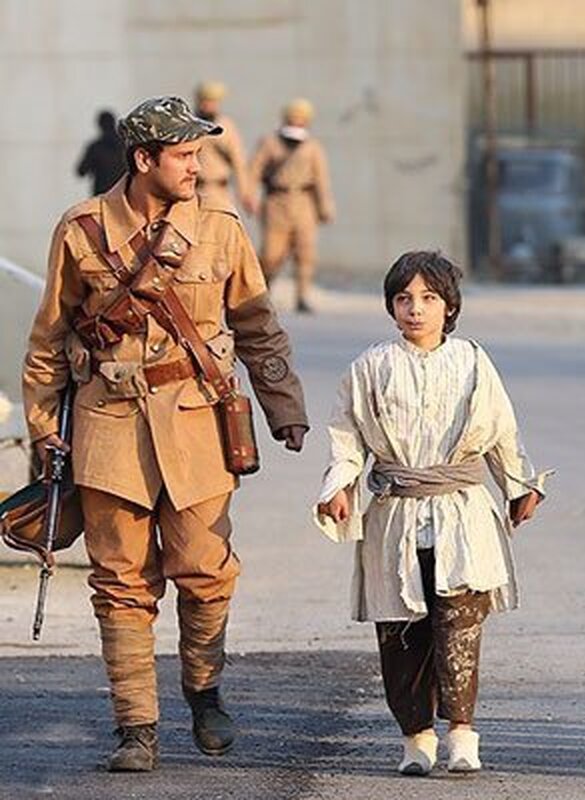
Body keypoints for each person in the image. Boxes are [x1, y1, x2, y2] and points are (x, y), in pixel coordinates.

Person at [23, 95, 309, 772]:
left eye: (198, 153)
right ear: (143, 159)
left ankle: (203, 689)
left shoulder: (220, 231)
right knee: (120, 582)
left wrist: (282, 406)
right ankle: (137, 730)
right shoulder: (81, 230)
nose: (196, 166)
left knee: (207, 574)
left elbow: (258, 325)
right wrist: (44, 431)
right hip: (107, 429)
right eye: (184, 155)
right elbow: (47, 342)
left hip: (198, 426)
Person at [314, 251, 548, 776]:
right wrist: (340, 485)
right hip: (395, 514)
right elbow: (346, 438)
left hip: (460, 513)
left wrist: (519, 486)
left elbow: (501, 431)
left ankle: (462, 733)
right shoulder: (370, 367)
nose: (415, 309)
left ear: (449, 306)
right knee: (401, 631)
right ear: (391, 307)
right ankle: (415, 738)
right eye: (404, 299)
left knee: (459, 623)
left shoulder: (472, 362)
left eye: (428, 298)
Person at [247, 98, 336, 313]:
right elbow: (253, 171)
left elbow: (321, 179)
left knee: (305, 253)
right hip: (277, 202)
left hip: (304, 204)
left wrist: (325, 207)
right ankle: (262, 293)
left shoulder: (313, 147)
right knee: (271, 254)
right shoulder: (270, 142)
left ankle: (302, 296)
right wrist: (250, 196)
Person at [193, 81, 254, 214]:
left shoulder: (227, 126)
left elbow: (238, 162)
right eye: (205, 101)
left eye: (212, 102)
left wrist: (245, 193)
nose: (208, 105)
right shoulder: (190, 126)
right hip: (194, 189)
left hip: (219, 190)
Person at [75, 110, 125, 195]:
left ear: (100, 125)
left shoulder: (95, 147)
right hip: (124, 195)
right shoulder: (125, 145)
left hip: (102, 197)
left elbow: (81, 171)